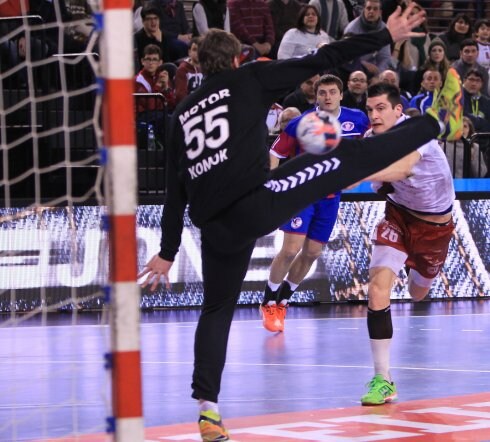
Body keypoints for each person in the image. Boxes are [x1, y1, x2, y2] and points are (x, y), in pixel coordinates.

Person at [137, 5, 462, 439]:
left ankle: (208, 409)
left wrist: (167, 251)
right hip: (255, 202)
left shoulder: (179, 118)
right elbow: (322, 60)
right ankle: (429, 125)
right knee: (338, 159)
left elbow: (174, 192)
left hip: (214, 225)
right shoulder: (248, 79)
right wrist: (385, 34)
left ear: (196, 64)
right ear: (237, 59)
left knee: (216, 310)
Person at [359, 78, 458, 406]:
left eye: (381, 108)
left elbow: (401, 169)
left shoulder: (417, 131)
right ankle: (382, 378)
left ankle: (418, 275)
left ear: (398, 110)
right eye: (369, 109)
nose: (374, 115)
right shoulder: (370, 138)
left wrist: (351, 176)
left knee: (418, 293)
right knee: (376, 289)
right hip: (399, 217)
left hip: (434, 229)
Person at [260, 74, 369, 333]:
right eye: (323, 93)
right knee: (290, 250)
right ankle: (268, 302)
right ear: (316, 96)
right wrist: (270, 184)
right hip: (301, 195)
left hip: (330, 198)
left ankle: (283, 301)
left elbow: (368, 150)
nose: (328, 97)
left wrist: (360, 176)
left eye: (332, 92)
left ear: (341, 95)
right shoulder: (300, 123)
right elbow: (274, 153)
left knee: (312, 253)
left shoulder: (358, 120)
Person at [343, 0, 392, 75]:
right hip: (353, 70)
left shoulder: (384, 29)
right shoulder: (352, 29)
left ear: (380, 12)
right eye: (368, 8)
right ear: (364, 10)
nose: (371, 11)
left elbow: (385, 57)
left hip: (374, 70)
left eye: (375, 9)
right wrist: (362, 64)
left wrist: (378, 75)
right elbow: (347, 57)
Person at [134, 4, 171, 71]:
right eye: (149, 19)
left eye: (155, 18)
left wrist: (160, 42)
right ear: (143, 22)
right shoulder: (136, 39)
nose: (153, 22)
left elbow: (166, 63)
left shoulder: (163, 37)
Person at [174, 36, 203, 104]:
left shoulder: (208, 68)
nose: (198, 53)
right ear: (189, 52)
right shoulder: (183, 70)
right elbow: (181, 97)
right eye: (195, 49)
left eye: (200, 50)